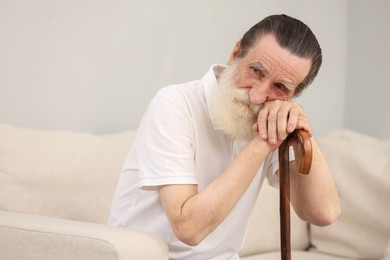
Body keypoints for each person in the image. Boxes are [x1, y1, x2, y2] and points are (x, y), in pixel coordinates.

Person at [108, 14, 340, 260]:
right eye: (256, 71)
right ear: (235, 53)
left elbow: (323, 213)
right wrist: (264, 142)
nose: (258, 97)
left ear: (292, 95)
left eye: (280, 87)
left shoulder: (271, 116)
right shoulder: (174, 104)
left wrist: (301, 125)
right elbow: (189, 228)